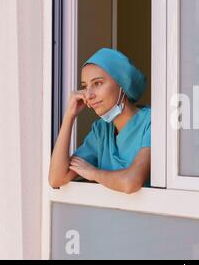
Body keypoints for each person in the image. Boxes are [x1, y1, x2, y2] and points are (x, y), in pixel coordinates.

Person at [48, 48, 151, 194]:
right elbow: (56, 178)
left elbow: (131, 182)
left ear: (122, 84)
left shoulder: (151, 123)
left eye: (97, 83)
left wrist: (92, 173)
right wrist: (69, 116)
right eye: (85, 86)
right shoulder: (101, 131)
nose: (88, 95)